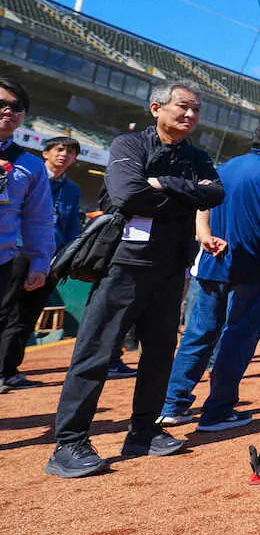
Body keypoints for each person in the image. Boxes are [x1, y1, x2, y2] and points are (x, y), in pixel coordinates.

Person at [47, 82, 223, 478]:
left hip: (171, 266)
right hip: (124, 264)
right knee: (95, 352)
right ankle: (69, 442)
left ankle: (143, 432)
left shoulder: (197, 156)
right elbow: (127, 195)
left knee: (160, 354)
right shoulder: (128, 145)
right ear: (156, 108)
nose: (190, 115)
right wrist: (185, 197)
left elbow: (216, 194)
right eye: (183, 107)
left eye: (196, 109)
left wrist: (165, 185)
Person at [158, 119, 260, 432]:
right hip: (252, 267)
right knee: (238, 338)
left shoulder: (225, 167)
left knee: (198, 334)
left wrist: (203, 234)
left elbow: (202, 205)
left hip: (212, 262)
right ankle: (218, 411)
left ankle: (172, 405)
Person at [0, 135, 80, 393]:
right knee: (4, 312)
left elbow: (71, 229)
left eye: (70, 152)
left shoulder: (72, 190)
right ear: (45, 153)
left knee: (27, 316)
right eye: (59, 149)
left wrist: (63, 259)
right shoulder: (28, 174)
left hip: (49, 260)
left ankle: (9, 371)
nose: (63, 155)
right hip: (16, 254)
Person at [0, 77, 55, 381]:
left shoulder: (29, 165)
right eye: (1, 104)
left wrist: (40, 261)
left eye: (16, 107)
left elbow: (38, 219)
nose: (8, 111)